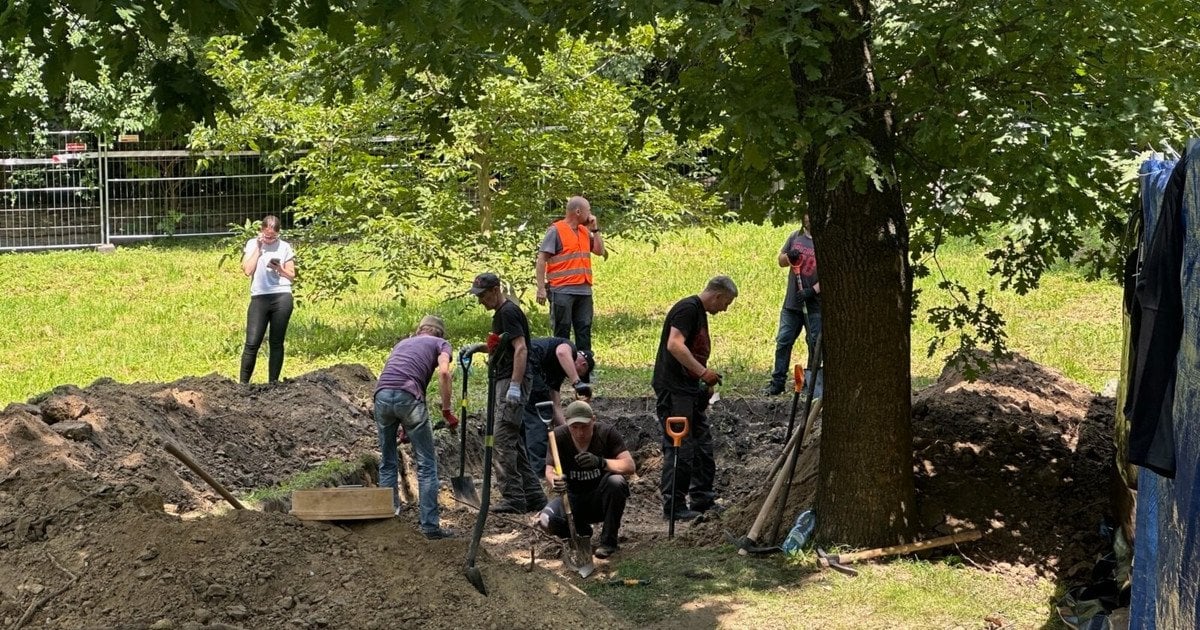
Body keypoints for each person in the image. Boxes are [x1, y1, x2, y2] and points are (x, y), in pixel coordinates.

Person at [653, 275, 738, 521]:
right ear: (718, 295)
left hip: (690, 389)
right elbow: (675, 345)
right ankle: (674, 506)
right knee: (681, 446)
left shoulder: (698, 312)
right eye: (726, 303)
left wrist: (703, 383)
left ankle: (702, 498)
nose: (724, 310)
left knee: (702, 445)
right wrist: (703, 373)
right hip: (674, 390)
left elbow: (693, 351)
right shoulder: (687, 309)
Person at [373, 315, 459, 539]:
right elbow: (443, 372)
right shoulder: (441, 344)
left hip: (382, 396)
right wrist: (447, 410)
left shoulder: (402, 343)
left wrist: (402, 419)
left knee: (388, 461)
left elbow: (396, 377)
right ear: (440, 334)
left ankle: (388, 519)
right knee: (427, 464)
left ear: (419, 330)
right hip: (409, 397)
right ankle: (430, 527)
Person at [470, 272, 547, 514]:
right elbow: (502, 345)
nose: (480, 300)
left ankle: (513, 497)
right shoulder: (501, 316)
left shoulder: (509, 313)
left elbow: (521, 348)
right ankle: (533, 495)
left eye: (482, 295)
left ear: (495, 290)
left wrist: (515, 385)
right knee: (514, 441)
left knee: (501, 441)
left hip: (511, 381)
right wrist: (479, 348)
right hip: (505, 379)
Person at [539, 400, 635, 559]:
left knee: (616, 482)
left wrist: (601, 462)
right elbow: (549, 470)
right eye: (574, 427)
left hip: (601, 498)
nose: (580, 433)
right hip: (572, 499)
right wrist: (555, 480)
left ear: (593, 420)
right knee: (545, 520)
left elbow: (630, 466)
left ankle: (608, 542)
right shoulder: (558, 437)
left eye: (584, 426)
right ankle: (581, 533)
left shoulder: (606, 433)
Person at [535, 196, 605, 358]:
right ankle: (560, 367)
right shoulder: (556, 230)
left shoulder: (584, 231)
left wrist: (595, 230)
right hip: (562, 290)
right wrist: (541, 288)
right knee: (562, 331)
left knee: (584, 329)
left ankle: (584, 365)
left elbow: (599, 251)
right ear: (578, 211)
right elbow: (541, 259)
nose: (591, 214)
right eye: (588, 210)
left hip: (584, 290)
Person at [763, 214, 822, 397]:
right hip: (792, 304)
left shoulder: (825, 242)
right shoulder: (795, 237)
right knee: (783, 340)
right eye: (807, 214)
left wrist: (812, 291)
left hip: (815, 306)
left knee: (814, 343)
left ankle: (811, 382)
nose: (809, 218)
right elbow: (781, 261)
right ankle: (778, 382)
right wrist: (789, 257)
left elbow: (831, 274)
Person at [523, 337, 595, 477]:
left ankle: (526, 469)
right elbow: (562, 352)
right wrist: (577, 382)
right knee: (538, 418)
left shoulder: (556, 374)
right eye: (580, 373)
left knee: (526, 418)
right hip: (527, 363)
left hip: (524, 370)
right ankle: (539, 472)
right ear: (583, 364)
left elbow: (555, 405)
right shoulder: (569, 347)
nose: (570, 377)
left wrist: (567, 429)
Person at [239, 215, 296, 384]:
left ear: (278, 234)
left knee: (276, 342)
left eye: (273, 237)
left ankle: (273, 383)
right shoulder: (252, 244)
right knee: (252, 342)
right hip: (259, 297)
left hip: (281, 296)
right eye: (266, 235)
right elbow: (247, 270)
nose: (269, 239)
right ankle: (242, 384)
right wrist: (258, 246)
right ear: (261, 231)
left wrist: (280, 269)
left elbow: (292, 276)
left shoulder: (285, 247)